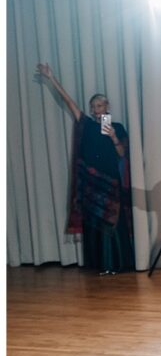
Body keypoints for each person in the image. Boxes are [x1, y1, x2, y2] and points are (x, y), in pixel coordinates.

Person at [36, 63, 135, 274]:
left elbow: (121, 154)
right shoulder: (87, 124)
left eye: (98, 106)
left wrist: (113, 137)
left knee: (113, 222)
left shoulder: (117, 127)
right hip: (91, 183)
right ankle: (100, 265)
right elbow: (69, 101)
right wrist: (51, 78)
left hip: (110, 180)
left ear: (106, 106)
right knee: (95, 224)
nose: (95, 110)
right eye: (93, 107)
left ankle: (116, 264)